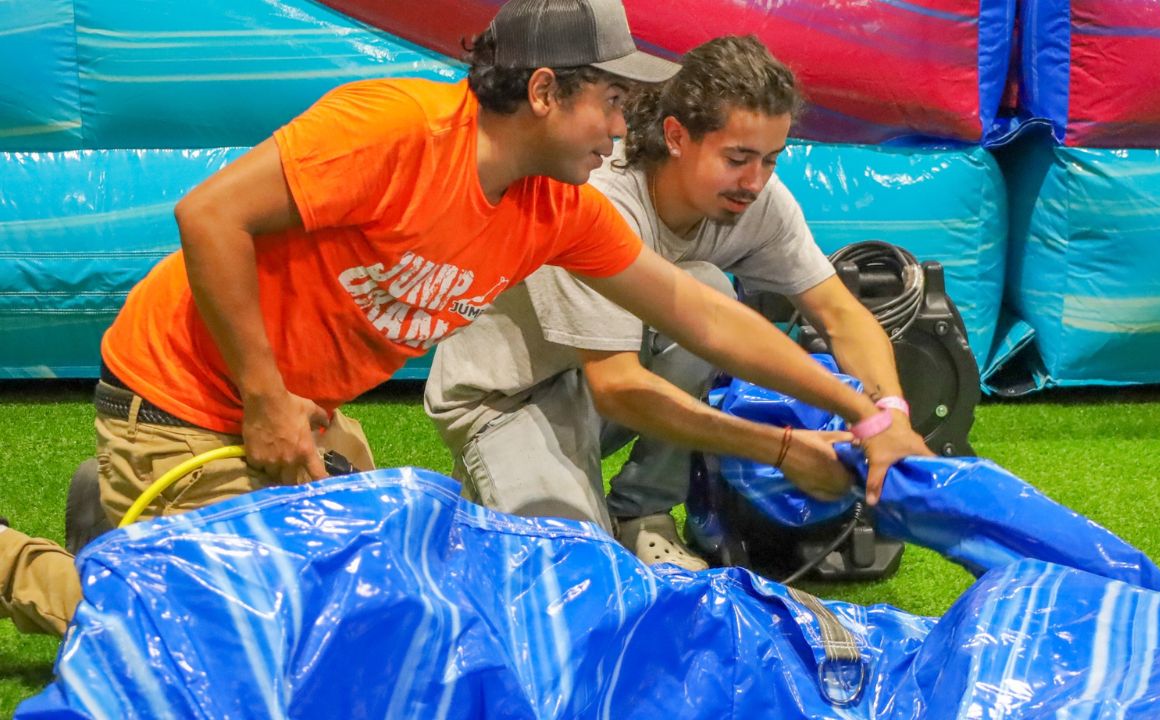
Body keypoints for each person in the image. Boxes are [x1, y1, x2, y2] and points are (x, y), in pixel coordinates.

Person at [0, 2, 916, 637]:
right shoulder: (396, 129)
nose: (621, 126)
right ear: (549, 91)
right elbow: (207, 216)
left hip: (298, 411)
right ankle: (49, 560)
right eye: (612, 102)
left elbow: (696, 316)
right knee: (230, 640)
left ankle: (129, 518)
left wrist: (868, 412)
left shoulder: (556, 205)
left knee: (381, 601)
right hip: (185, 396)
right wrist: (266, 398)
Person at [425, 36, 932, 570]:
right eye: (737, 158)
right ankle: (511, 489)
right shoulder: (596, 194)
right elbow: (618, 388)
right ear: (675, 136)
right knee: (582, 579)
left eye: (770, 160)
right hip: (512, 398)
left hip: (600, 380)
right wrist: (783, 449)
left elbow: (838, 312)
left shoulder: (755, 198)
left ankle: (641, 513)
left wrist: (888, 415)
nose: (755, 182)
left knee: (709, 286)